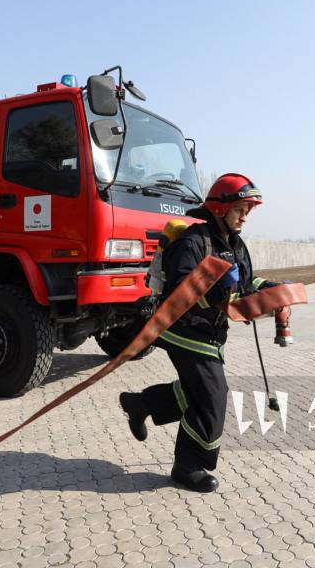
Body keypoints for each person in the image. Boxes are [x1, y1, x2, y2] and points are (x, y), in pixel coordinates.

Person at [119, 173, 280, 493]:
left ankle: (142, 404)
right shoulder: (192, 242)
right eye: (241, 208)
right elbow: (181, 291)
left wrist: (273, 291)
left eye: (249, 209)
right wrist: (220, 293)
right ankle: (187, 467)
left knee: (196, 392)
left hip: (212, 334)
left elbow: (246, 283)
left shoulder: (235, 244)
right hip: (184, 332)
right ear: (220, 209)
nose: (245, 216)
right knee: (212, 396)